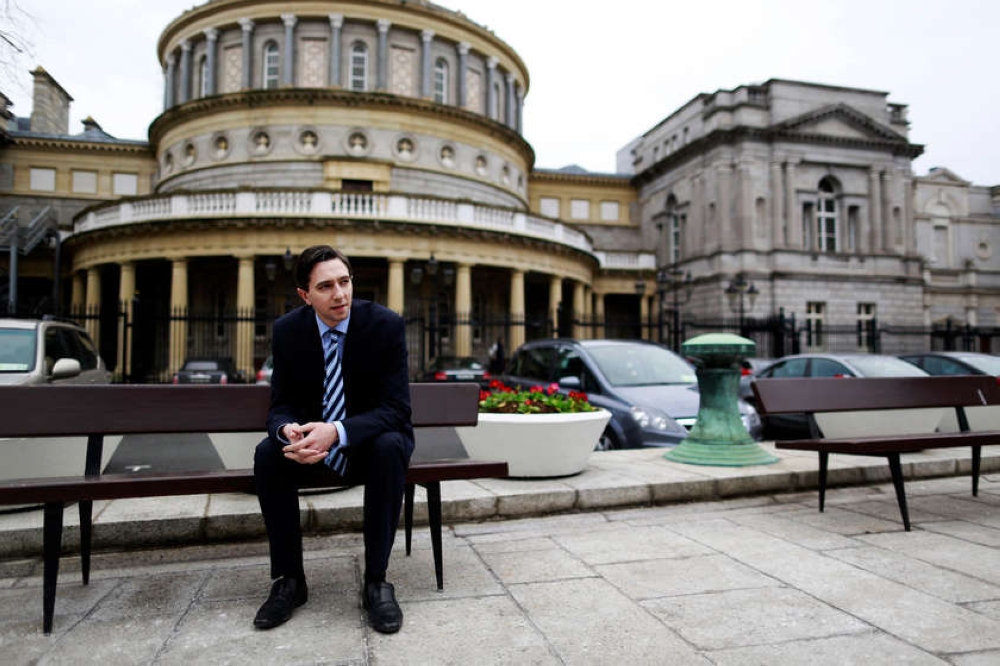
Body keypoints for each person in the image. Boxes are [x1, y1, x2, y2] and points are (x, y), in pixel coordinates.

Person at [253, 245, 413, 634]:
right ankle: (290, 580)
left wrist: (336, 431)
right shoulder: (288, 331)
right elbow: (281, 405)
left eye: (345, 282)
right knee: (267, 454)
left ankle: (377, 581)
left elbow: (396, 409)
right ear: (305, 296)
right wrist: (289, 431)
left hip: (369, 444)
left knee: (390, 446)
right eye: (325, 287)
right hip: (312, 449)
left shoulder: (385, 325)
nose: (339, 294)